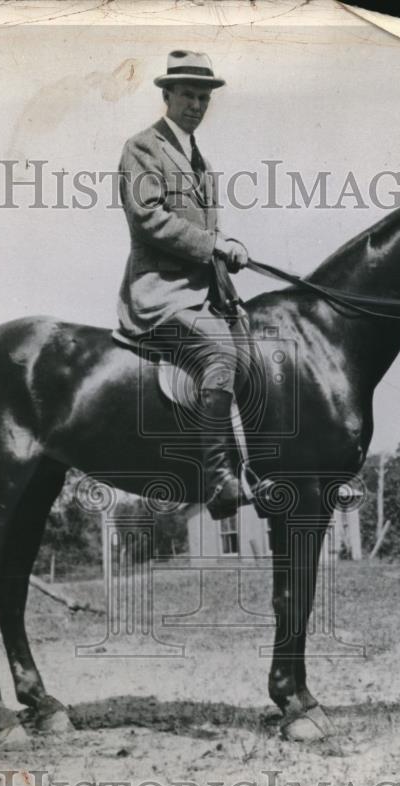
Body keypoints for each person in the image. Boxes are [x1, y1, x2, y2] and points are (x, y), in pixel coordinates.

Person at [115, 50, 257, 520]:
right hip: (161, 295)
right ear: (167, 95)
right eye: (189, 95)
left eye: (204, 98)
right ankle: (218, 481)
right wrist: (215, 245)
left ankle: (255, 466)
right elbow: (149, 219)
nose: (196, 105)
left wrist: (224, 260)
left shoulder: (201, 163)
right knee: (219, 355)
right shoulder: (142, 148)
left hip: (204, 295)